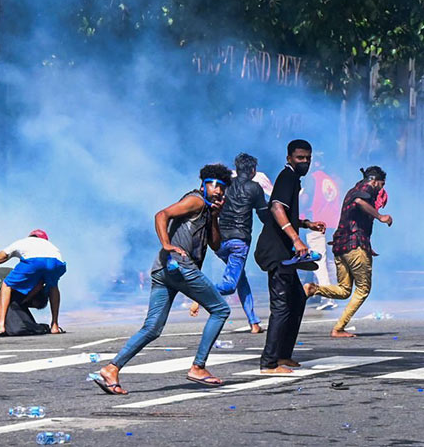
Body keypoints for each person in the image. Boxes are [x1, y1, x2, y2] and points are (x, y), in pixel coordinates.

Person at [94, 164, 233, 395]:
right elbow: (161, 214)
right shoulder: (196, 200)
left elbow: (216, 244)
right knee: (221, 310)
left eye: (222, 187)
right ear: (203, 184)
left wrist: (216, 217)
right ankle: (198, 367)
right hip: (180, 268)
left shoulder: (208, 209)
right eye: (213, 184)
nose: (217, 191)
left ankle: (111, 368)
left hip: (164, 271)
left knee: (152, 328)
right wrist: (167, 244)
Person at [254, 139, 326, 374]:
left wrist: (307, 224)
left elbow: (286, 213)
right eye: (300, 158)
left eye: (308, 158)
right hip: (276, 252)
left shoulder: (294, 179)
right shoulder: (287, 176)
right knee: (282, 306)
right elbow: (276, 207)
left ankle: (283, 355)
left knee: (297, 299)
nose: (305, 162)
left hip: (283, 252)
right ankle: (269, 362)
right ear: (289, 158)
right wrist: (296, 239)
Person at [304, 166, 392, 338]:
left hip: (342, 246)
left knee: (344, 290)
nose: (381, 189)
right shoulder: (365, 189)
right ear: (374, 181)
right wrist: (381, 217)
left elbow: (355, 217)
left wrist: (367, 245)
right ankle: (338, 328)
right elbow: (360, 202)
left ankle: (313, 289)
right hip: (354, 246)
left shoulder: (353, 189)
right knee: (363, 290)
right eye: (381, 185)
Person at [190, 153, 269, 333]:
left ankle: (254, 322)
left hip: (219, 241)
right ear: (253, 171)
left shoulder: (225, 186)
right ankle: (199, 294)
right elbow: (264, 215)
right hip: (238, 242)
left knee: (241, 279)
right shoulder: (254, 187)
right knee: (229, 285)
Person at [0, 229, 66, 337]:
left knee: (7, 285)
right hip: (56, 262)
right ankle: (55, 325)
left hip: (34, 261)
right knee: (53, 286)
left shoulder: (23, 242)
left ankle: (0, 325)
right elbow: (40, 283)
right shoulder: (50, 245)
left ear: (30, 236)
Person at [301, 154, 341, 311]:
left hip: (316, 223)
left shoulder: (313, 178)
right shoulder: (330, 180)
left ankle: (327, 297)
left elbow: (305, 199)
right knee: (330, 261)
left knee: (319, 260)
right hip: (331, 223)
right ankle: (335, 292)